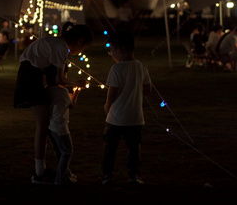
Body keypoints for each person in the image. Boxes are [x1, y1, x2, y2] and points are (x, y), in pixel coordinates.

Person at [13, 22, 93, 184]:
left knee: (44, 123)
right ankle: (39, 172)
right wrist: (76, 83)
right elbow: (57, 79)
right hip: (30, 78)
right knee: (43, 124)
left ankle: (40, 169)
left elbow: (52, 79)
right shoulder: (61, 46)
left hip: (31, 76)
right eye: (84, 47)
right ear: (80, 41)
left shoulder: (56, 43)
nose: (81, 51)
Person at [102, 31, 152, 185]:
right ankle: (133, 176)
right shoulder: (140, 66)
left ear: (121, 49)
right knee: (134, 150)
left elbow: (113, 92)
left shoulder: (116, 69)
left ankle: (107, 176)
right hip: (136, 117)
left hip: (116, 118)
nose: (110, 53)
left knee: (110, 149)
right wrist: (134, 94)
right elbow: (148, 89)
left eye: (112, 50)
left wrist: (107, 106)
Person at [45, 65, 82, 185]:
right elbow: (71, 105)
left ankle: (65, 173)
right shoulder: (62, 91)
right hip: (60, 126)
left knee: (59, 151)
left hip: (50, 126)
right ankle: (60, 179)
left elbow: (60, 102)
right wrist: (76, 92)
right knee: (67, 151)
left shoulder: (48, 89)